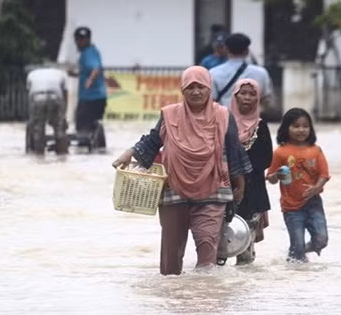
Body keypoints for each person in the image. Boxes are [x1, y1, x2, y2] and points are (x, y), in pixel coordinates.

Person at [112, 66, 252, 275]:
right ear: (182, 90)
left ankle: (204, 293)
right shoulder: (169, 114)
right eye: (190, 87)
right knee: (171, 258)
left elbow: (233, 150)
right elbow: (153, 140)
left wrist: (240, 183)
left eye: (201, 87)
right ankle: (172, 293)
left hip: (213, 189)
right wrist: (129, 153)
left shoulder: (223, 115)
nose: (196, 92)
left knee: (207, 250)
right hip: (173, 188)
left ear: (209, 89)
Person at [217, 79, 273, 266]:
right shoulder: (223, 123)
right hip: (224, 189)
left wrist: (243, 170)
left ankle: (246, 284)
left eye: (252, 94)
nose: (247, 98)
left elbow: (266, 159)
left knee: (245, 249)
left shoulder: (261, 126)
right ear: (235, 96)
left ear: (258, 99)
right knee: (218, 245)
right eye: (243, 93)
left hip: (253, 192)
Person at [266, 108, 330, 263]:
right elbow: (270, 178)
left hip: (313, 203)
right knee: (297, 245)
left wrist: (316, 188)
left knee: (321, 240)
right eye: (296, 126)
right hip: (291, 207)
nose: (301, 130)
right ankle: (296, 269)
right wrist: (277, 175)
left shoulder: (315, 150)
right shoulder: (280, 152)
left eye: (305, 126)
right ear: (286, 128)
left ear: (311, 128)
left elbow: (324, 174)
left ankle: (297, 253)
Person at [210, 32, 274, 110]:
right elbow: (266, 99)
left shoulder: (213, 73)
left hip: (224, 116)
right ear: (247, 51)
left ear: (226, 49)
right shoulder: (261, 73)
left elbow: (212, 100)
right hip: (252, 116)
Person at [74, 26, 107, 148]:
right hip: (98, 97)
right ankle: (95, 148)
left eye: (81, 40)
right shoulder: (93, 51)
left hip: (90, 98)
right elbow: (90, 70)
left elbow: (96, 69)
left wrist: (89, 81)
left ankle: (85, 147)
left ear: (87, 40)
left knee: (83, 127)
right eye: (78, 40)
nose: (79, 42)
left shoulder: (88, 53)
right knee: (93, 126)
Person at [26, 65, 70, 155]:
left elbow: (30, 95)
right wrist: (63, 115)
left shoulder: (32, 74)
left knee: (38, 133)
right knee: (60, 131)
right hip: (55, 96)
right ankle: (62, 156)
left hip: (37, 97)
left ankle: (39, 157)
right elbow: (65, 94)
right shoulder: (61, 73)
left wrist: (32, 118)